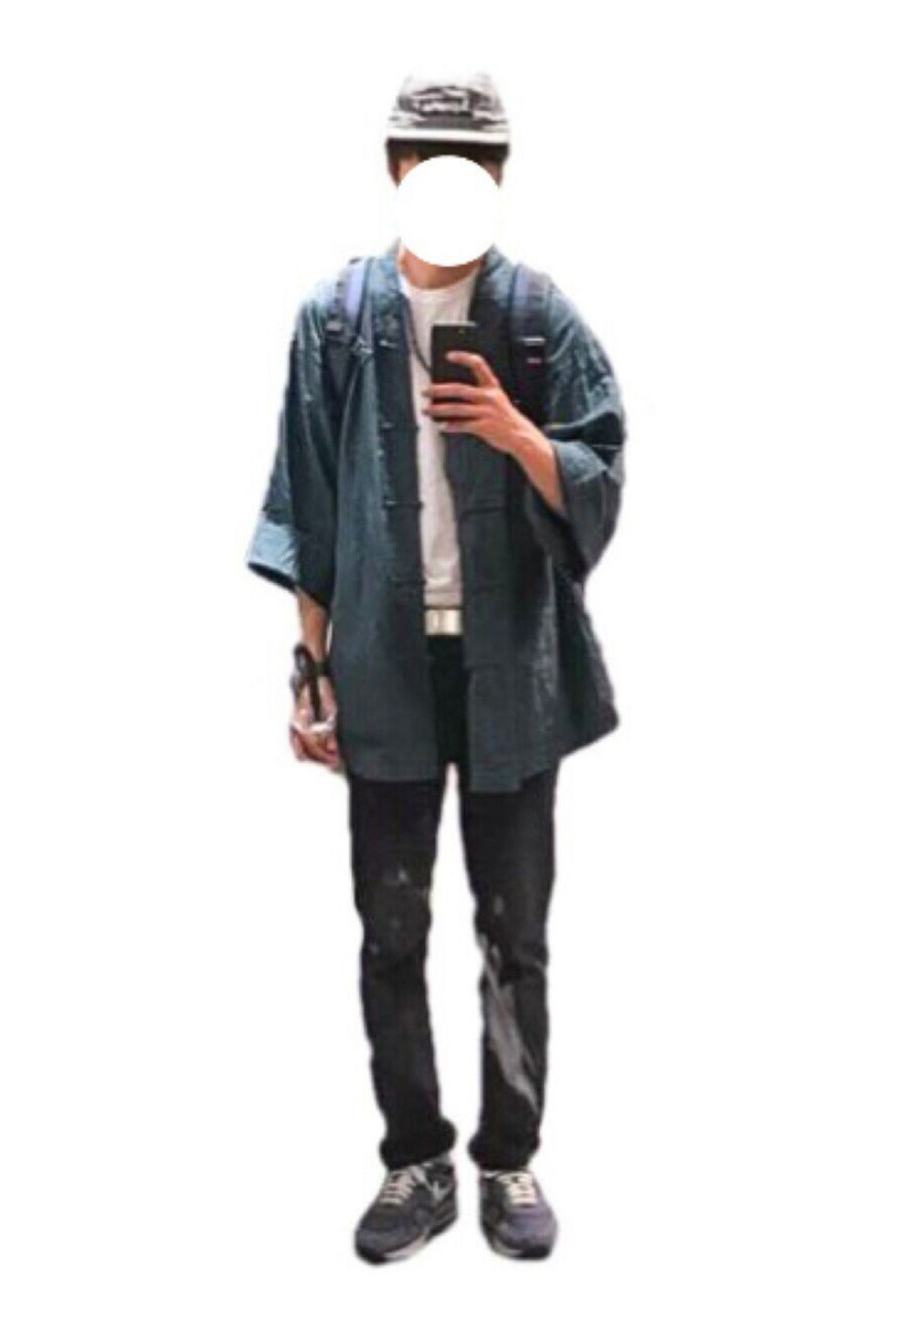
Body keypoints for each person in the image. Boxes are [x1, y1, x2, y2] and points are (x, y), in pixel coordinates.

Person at [247, 71, 627, 1263]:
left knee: (515, 932)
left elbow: (601, 471)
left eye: (477, 162)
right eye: (430, 158)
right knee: (391, 927)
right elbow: (307, 502)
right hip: (383, 665)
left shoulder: (537, 315)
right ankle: (415, 1159)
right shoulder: (334, 318)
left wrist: (514, 430)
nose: (454, 179)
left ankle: (508, 1160)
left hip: (511, 662)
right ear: (397, 169)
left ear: (498, 177)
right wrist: (309, 669)